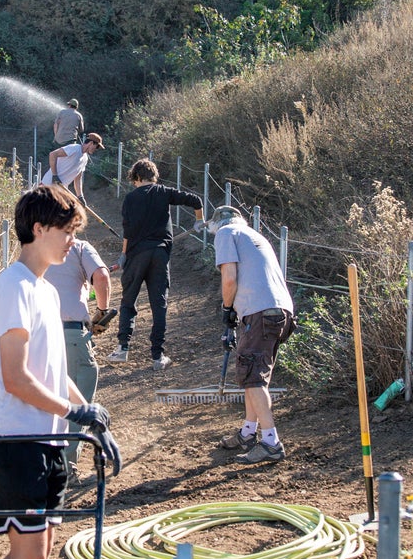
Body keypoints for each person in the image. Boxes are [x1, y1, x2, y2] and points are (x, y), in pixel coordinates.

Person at [0, 184, 120, 559]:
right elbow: (16, 377)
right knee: (29, 557)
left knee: (41, 556)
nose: (73, 241)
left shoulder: (45, 291)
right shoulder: (14, 287)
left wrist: (89, 417)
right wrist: (73, 410)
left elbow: (53, 373)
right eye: (67, 231)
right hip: (12, 440)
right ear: (38, 229)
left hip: (43, 439)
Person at [210, 206, 295, 464]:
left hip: (259, 311)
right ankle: (248, 432)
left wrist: (227, 309)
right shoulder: (255, 237)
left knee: (253, 378)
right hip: (280, 310)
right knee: (254, 376)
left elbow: (229, 278)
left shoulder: (226, 233)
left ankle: (271, 442)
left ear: (218, 224)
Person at [109, 158, 203, 371]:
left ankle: (122, 348)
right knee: (159, 304)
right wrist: (199, 221)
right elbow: (196, 200)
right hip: (160, 254)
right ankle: (158, 356)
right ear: (154, 177)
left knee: (128, 301)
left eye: (134, 180)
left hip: (136, 255)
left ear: (138, 178)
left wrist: (123, 255)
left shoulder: (131, 198)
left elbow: (128, 231)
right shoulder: (164, 192)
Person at [46, 226, 113, 483]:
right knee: (79, 396)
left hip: (37, 334)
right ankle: (64, 465)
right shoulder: (80, 247)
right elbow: (102, 277)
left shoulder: (37, 247)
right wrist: (102, 312)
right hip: (70, 332)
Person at [45, 131, 103, 204]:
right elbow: (53, 154)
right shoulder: (74, 148)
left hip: (60, 191)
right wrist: (54, 175)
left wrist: (80, 196)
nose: (96, 149)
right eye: (97, 146)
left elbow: (78, 179)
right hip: (47, 186)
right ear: (91, 143)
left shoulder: (85, 159)